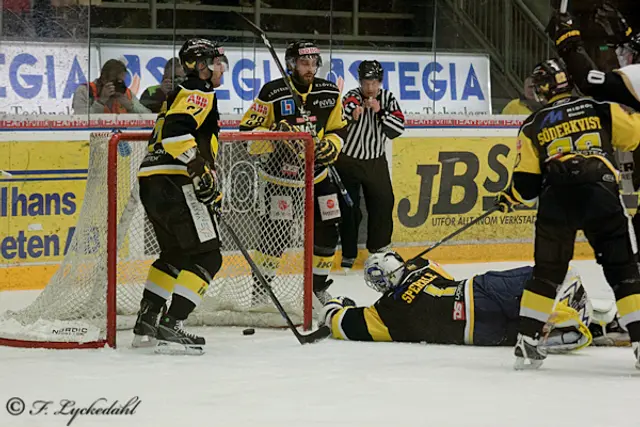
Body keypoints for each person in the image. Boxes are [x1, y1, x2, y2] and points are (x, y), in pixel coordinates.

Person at [494, 58, 640, 370]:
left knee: (546, 273)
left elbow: (527, 185)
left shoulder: (532, 125)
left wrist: (509, 198)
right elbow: (633, 137)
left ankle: (527, 342)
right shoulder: (598, 106)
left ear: (543, 90)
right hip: (599, 192)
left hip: (556, 198)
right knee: (623, 270)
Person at [132, 38, 228, 355]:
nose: (219, 67)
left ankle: (147, 321)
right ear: (199, 66)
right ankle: (172, 323)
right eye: (214, 62)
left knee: (175, 254)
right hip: (176, 182)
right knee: (208, 256)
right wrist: (198, 168)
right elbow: (176, 132)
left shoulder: (180, 93)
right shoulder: (198, 92)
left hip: (152, 179)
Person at [239, 40, 347, 304]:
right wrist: (276, 134)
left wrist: (332, 145)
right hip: (281, 178)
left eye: (313, 63)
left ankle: (318, 287)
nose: (310, 69)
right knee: (275, 235)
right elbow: (246, 134)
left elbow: (338, 128)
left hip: (319, 175)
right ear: (291, 65)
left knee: (329, 227)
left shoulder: (330, 92)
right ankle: (261, 291)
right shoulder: (272, 91)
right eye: (304, 63)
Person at [319, 250, 596, 353]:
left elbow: (342, 325)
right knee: (552, 275)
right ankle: (571, 310)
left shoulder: (385, 313)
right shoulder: (425, 269)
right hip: (479, 292)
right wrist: (416, 265)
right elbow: (436, 268)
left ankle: (563, 325)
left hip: (478, 334)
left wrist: (334, 306)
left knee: (523, 331)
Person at [335, 60, 404, 271]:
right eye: (366, 82)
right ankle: (348, 253)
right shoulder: (352, 96)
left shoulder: (388, 98)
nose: (370, 88)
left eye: (374, 83)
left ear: (380, 82)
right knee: (349, 209)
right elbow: (341, 117)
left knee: (384, 202)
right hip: (348, 161)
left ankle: (379, 248)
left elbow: (397, 129)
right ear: (360, 81)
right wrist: (352, 114)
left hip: (375, 161)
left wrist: (380, 112)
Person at [72, 59, 150, 115]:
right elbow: (80, 120)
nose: (118, 86)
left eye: (121, 82)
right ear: (104, 79)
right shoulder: (85, 91)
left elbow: (149, 116)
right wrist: (101, 101)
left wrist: (131, 107)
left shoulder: (126, 93)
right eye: (115, 81)